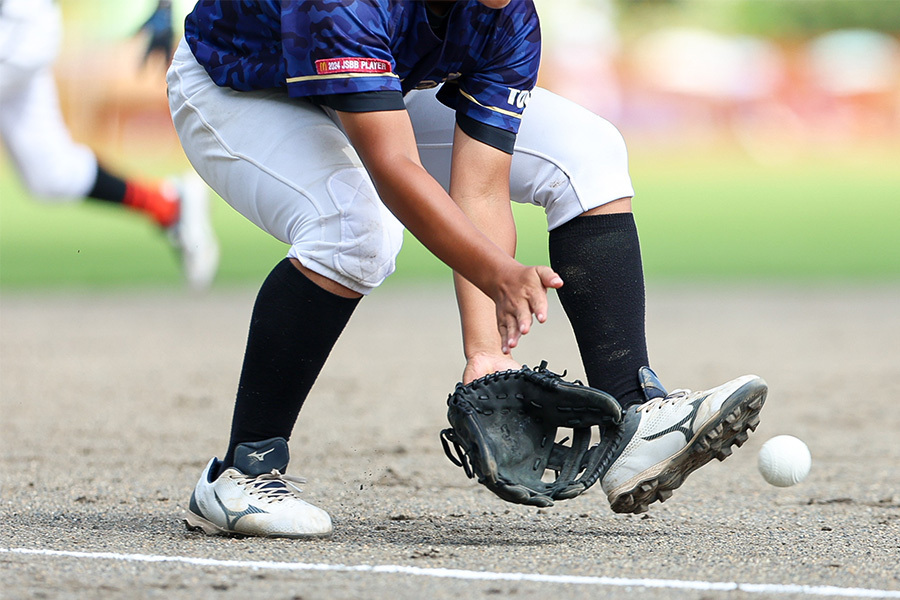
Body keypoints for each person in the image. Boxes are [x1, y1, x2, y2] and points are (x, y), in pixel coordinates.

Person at [168, 0, 767, 539]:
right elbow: (393, 164)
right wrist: (499, 273)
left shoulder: (507, 17)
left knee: (587, 153)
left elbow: (479, 188)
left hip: (379, 85)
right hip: (241, 88)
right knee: (354, 232)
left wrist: (487, 355)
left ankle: (637, 420)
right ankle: (242, 471)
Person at [0, 0, 218, 290]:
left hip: (15, 28)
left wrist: (164, 6)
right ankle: (167, 204)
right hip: (24, 30)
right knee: (51, 175)